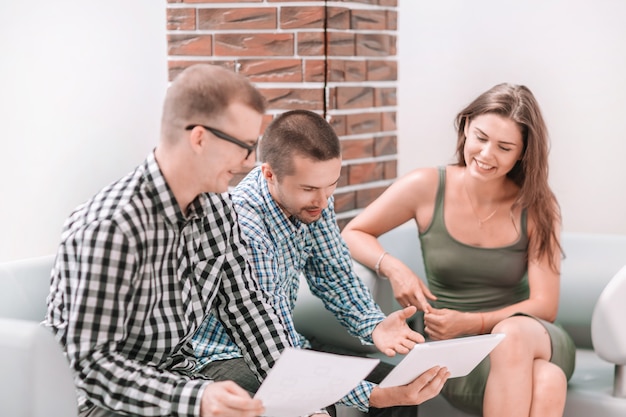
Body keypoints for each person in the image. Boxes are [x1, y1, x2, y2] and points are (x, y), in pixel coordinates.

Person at [44, 63, 299, 417]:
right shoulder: (113, 227)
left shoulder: (218, 210)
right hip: (103, 403)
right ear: (199, 138)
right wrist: (196, 399)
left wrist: (298, 398)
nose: (249, 162)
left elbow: (247, 308)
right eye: (244, 146)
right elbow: (90, 365)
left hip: (177, 383)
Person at [192, 109, 450, 417]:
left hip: (286, 344)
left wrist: (374, 325)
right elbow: (271, 347)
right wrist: (373, 396)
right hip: (224, 356)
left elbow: (334, 275)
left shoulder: (312, 202)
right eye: (310, 189)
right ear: (269, 173)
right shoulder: (245, 229)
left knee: (397, 385)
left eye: (332, 185)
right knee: (316, 403)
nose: (324, 201)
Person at [341, 83, 576, 417]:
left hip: (532, 336)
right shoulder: (426, 186)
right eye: (480, 137)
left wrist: (472, 321)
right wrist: (394, 268)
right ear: (466, 127)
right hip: (457, 352)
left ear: (522, 153)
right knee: (548, 380)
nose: (486, 154)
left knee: (512, 334)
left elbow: (544, 306)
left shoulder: (537, 205)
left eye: (504, 147)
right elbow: (353, 233)